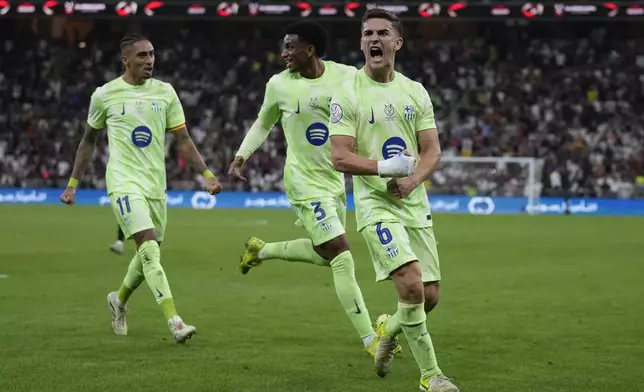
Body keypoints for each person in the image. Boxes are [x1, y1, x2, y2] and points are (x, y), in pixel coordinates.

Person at [228, 21, 400, 357]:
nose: (284, 53)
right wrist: (241, 155)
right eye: (283, 46)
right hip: (303, 182)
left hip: (335, 180)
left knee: (326, 255)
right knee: (341, 254)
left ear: (310, 49)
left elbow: (371, 106)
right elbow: (264, 122)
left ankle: (260, 251)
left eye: (290, 46)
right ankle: (372, 340)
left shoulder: (346, 76)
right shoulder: (278, 85)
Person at [60, 33, 222, 344]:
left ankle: (118, 301)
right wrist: (72, 185)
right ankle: (174, 320)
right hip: (123, 181)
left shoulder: (165, 93)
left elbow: (183, 139)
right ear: (125, 60)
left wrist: (206, 173)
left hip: (155, 185)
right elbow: (88, 141)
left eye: (151, 54)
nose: (149, 61)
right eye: (142, 56)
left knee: (150, 252)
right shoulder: (105, 95)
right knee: (148, 249)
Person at [328, 9, 459, 391]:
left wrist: (413, 180)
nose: (374, 39)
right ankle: (431, 376)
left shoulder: (414, 90)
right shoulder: (348, 92)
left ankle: (387, 328)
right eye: (367, 33)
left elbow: (432, 150)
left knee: (428, 296)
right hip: (376, 205)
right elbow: (340, 156)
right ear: (362, 43)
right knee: (412, 286)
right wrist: (386, 168)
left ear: (397, 42)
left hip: (414, 202)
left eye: (383, 33)